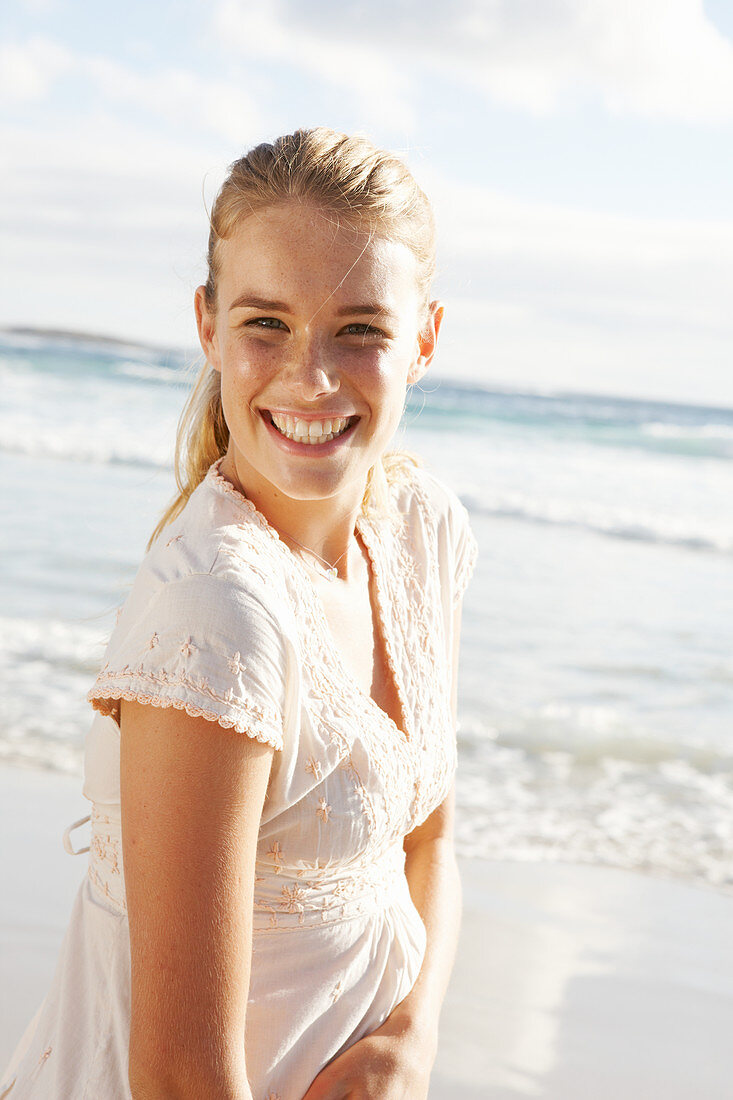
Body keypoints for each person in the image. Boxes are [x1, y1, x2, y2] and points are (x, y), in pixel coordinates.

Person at [0, 127, 478, 1100]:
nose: (312, 375)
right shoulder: (217, 613)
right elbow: (180, 1076)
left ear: (423, 340)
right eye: (267, 322)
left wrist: (407, 1043)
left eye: (360, 330)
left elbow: (428, 841)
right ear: (208, 325)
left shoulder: (421, 529)